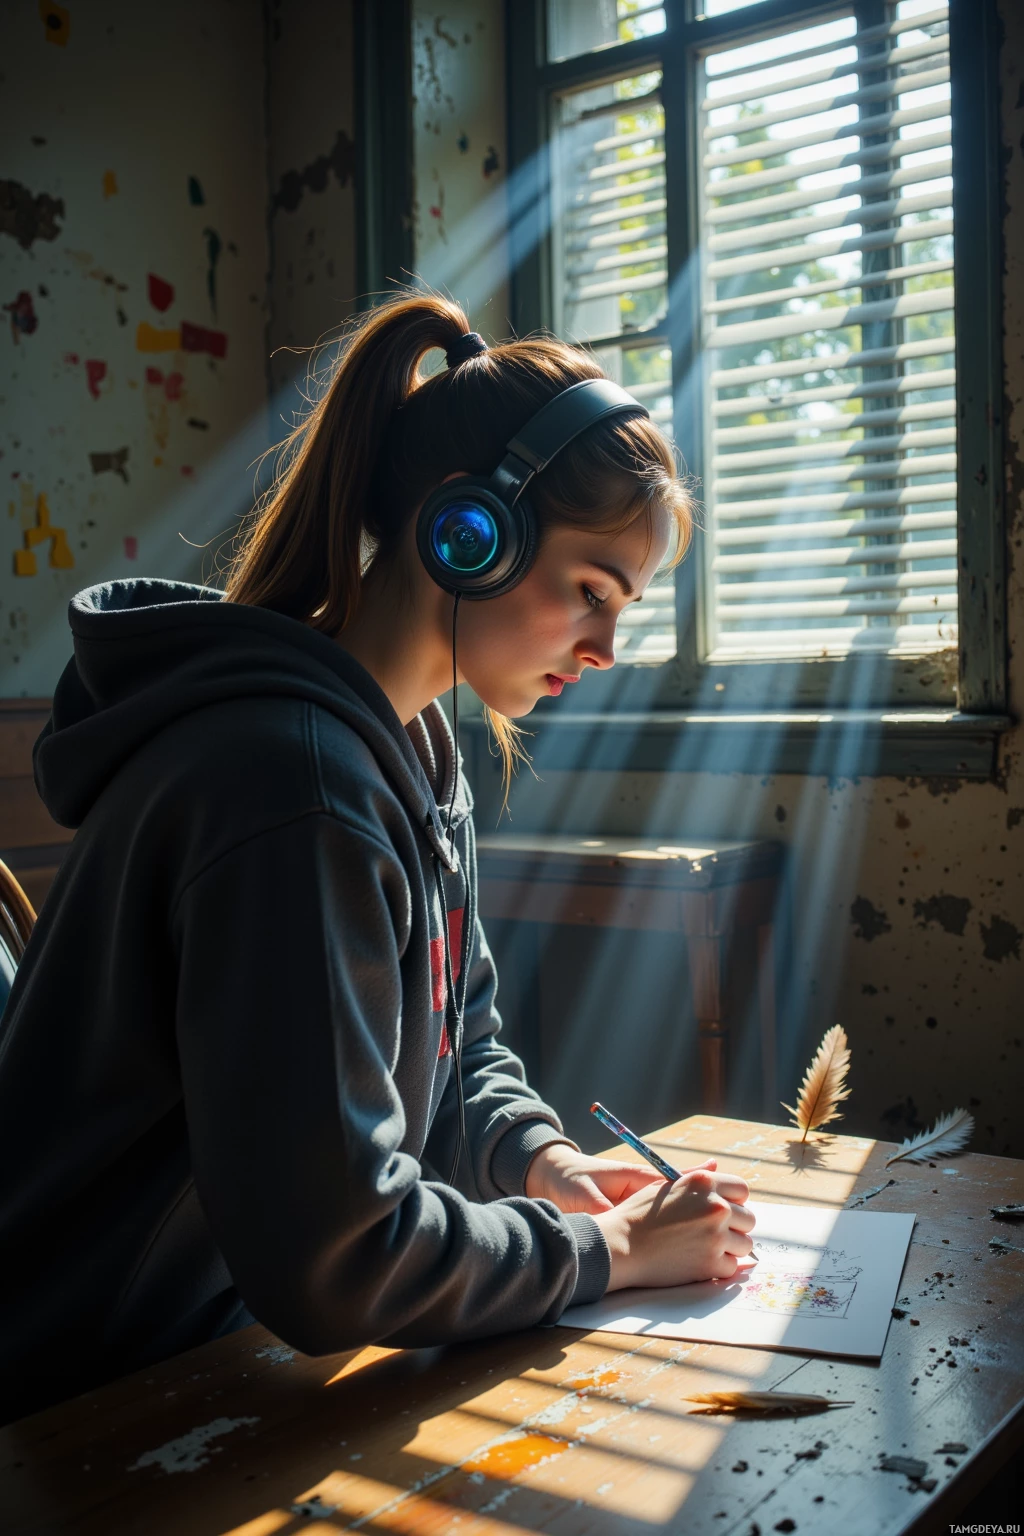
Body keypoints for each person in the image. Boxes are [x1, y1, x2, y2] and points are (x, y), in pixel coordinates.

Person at [0, 293, 754, 1427]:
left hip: (210, 1344)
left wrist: (543, 1163)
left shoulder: (411, 749)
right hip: (80, 1392)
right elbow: (339, 1254)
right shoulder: (294, 787)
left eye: (623, 611)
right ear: (466, 535)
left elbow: (460, 1046)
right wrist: (603, 1250)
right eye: (592, 593)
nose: (604, 649)